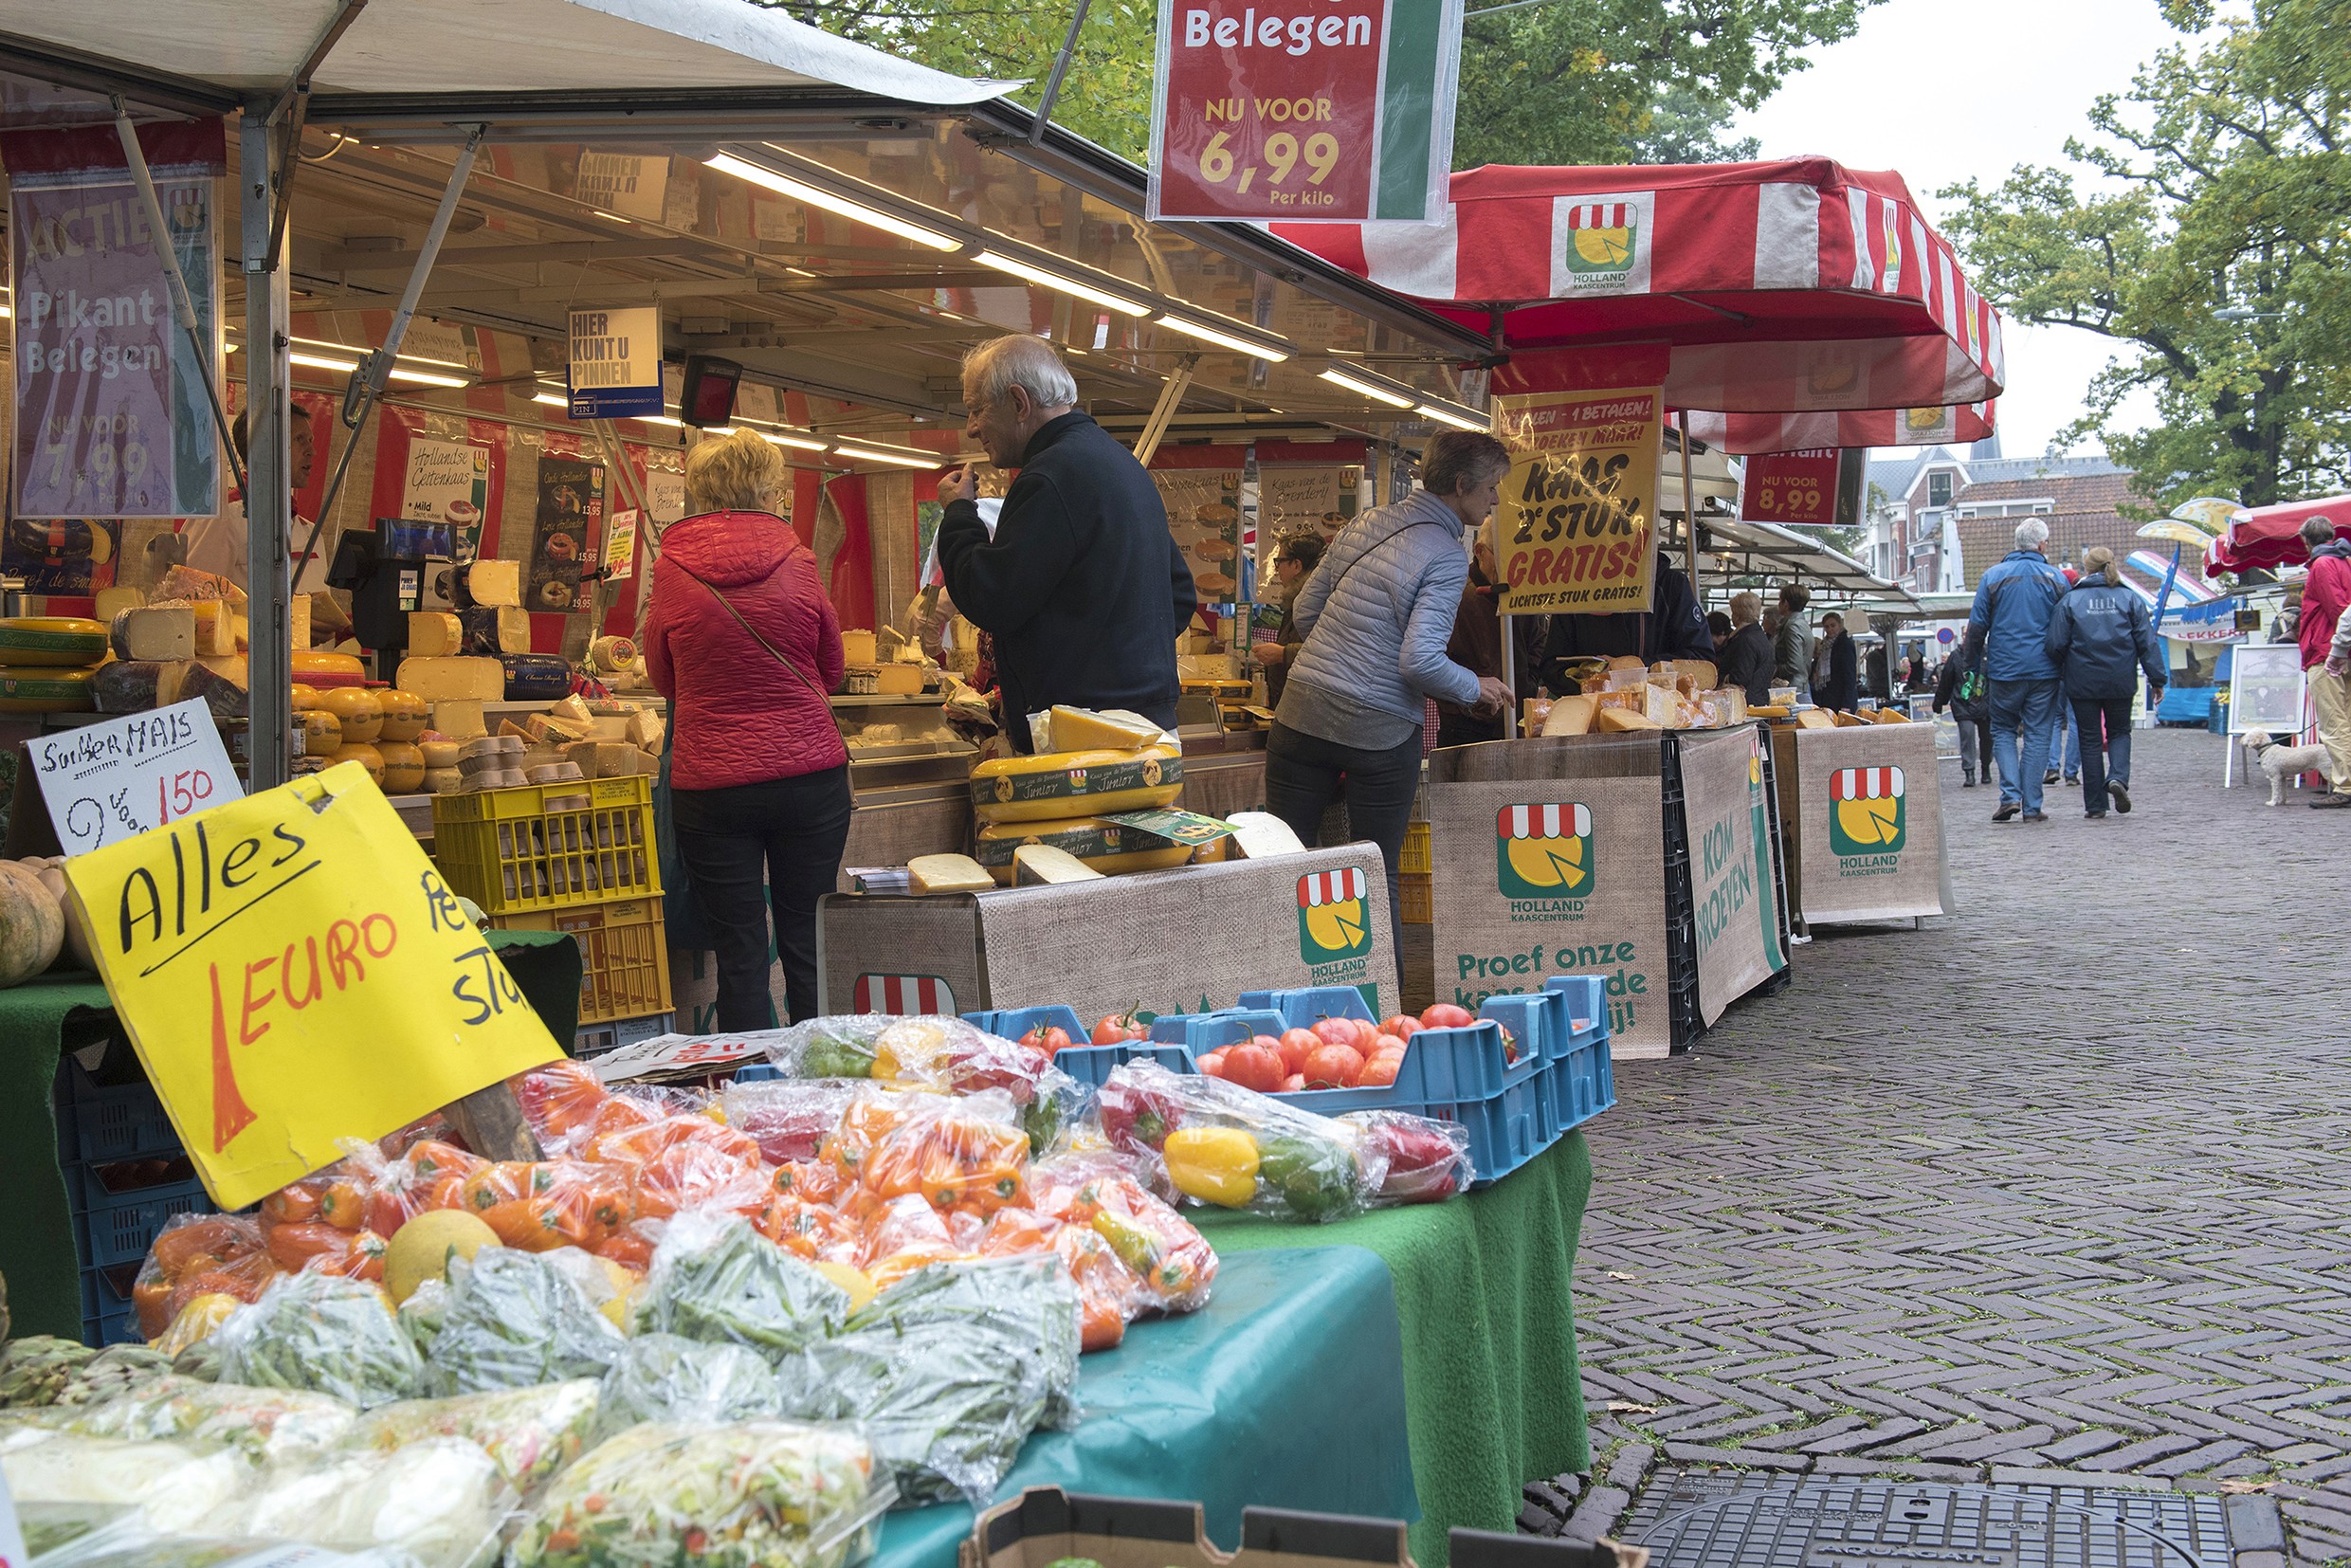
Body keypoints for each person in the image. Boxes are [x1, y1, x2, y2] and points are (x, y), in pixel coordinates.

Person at [1266, 429, 1511, 963]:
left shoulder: (1367, 523)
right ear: (1462, 483)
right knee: (1375, 874)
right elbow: (1419, 661)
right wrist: (1477, 687)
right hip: (1376, 732)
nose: (1495, 499)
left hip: (1301, 713)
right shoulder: (1445, 556)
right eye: (1491, 487)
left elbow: (1306, 615)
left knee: (1285, 865)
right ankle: (1383, 1010)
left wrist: (1346, 649)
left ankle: (1279, 995)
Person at [644, 428, 849, 1030]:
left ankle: (747, 1095)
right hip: (809, 778)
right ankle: (820, 1088)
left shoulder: (672, 568)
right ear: (770, 488)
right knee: (806, 945)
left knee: (738, 954)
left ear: (697, 489)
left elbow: (662, 675)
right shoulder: (798, 560)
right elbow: (832, 667)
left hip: (712, 787)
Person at [937, 335, 1195, 751]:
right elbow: (1179, 596)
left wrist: (959, 514)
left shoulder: (1050, 476)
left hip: (1083, 739)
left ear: (1020, 403)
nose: (970, 428)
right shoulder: (1122, 465)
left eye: (977, 409)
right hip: (1153, 731)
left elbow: (991, 597)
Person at [2046, 546, 2166, 818]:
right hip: (2120, 679)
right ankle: (2118, 778)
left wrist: (2067, 663)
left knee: (2089, 740)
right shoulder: (2129, 598)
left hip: (2082, 680)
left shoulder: (2070, 601)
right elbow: (2147, 643)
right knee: (2119, 732)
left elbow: (2055, 644)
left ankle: (2096, 805)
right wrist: (2157, 679)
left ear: (2086, 568)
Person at [1966, 517, 2071, 823]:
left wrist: (1972, 668)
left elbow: (1976, 629)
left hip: (2004, 670)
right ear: (2041, 545)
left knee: (2002, 730)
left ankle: (2010, 796)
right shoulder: (2057, 579)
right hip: (2044, 671)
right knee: (2038, 735)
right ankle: (2032, 806)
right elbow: (2065, 628)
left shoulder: (1993, 577)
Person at [173, 406, 319, 590]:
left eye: (311, 440)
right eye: (300, 439)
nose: (312, 451)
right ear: (264, 447)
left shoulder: (310, 532)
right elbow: (189, 598)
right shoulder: (222, 519)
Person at [1540, 548, 1714, 682]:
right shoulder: (1573, 589)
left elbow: (1701, 659)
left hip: (1661, 718)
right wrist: (1590, 679)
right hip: (1592, 718)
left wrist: (1636, 668)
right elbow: (1551, 666)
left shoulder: (1669, 585)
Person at [2294, 516, 2351, 805]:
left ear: (2306, 540)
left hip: (2327, 652)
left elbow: (2339, 610)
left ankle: (2345, 787)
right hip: (2343, 651)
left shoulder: (2322, 565)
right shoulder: (2346, 561)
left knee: (2334, 723)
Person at [1250, 531, 1326, 708]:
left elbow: (1330, 653)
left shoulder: (1315, 602)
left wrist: (1282, 654)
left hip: (1305, 708)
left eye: (1279, 562)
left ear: (1297, 565)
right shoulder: (1298, 599)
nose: (1277, 570)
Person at [1934, 648, 1993, 787]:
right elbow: (1946, 680)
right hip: (1962, 704)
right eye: (1966, 634)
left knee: (1988, 738)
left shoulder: (1987, 654)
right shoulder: (1955, 656)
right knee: (1967, 735)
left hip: (1985, 703)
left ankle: (1986, 767)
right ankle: (1969, 772)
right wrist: (1939, 702)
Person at [1716, 591, 1774, 705]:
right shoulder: (1761, 637)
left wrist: (1721, 679)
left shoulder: (1745, 640)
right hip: (1760, 700)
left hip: (1745, 703)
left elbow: (1739, 678)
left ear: (1738, 615)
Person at [1771, 583, 1813, 700]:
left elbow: (1795, 665)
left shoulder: (1792, 626)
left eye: (1780, 600)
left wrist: (1774, 670)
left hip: (1792, 690)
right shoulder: (1803, 624)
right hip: (1800, 687)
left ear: (1786, 604)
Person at [1813, 611, 1859, 712]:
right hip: (1830, 698)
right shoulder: (1825, 646)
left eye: (1833, 625)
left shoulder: (1844, 644)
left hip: (1841, 700)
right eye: (1826, 627)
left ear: (1840, 625)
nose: (1830, 629)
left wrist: (1846, 704)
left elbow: (1850, 675)